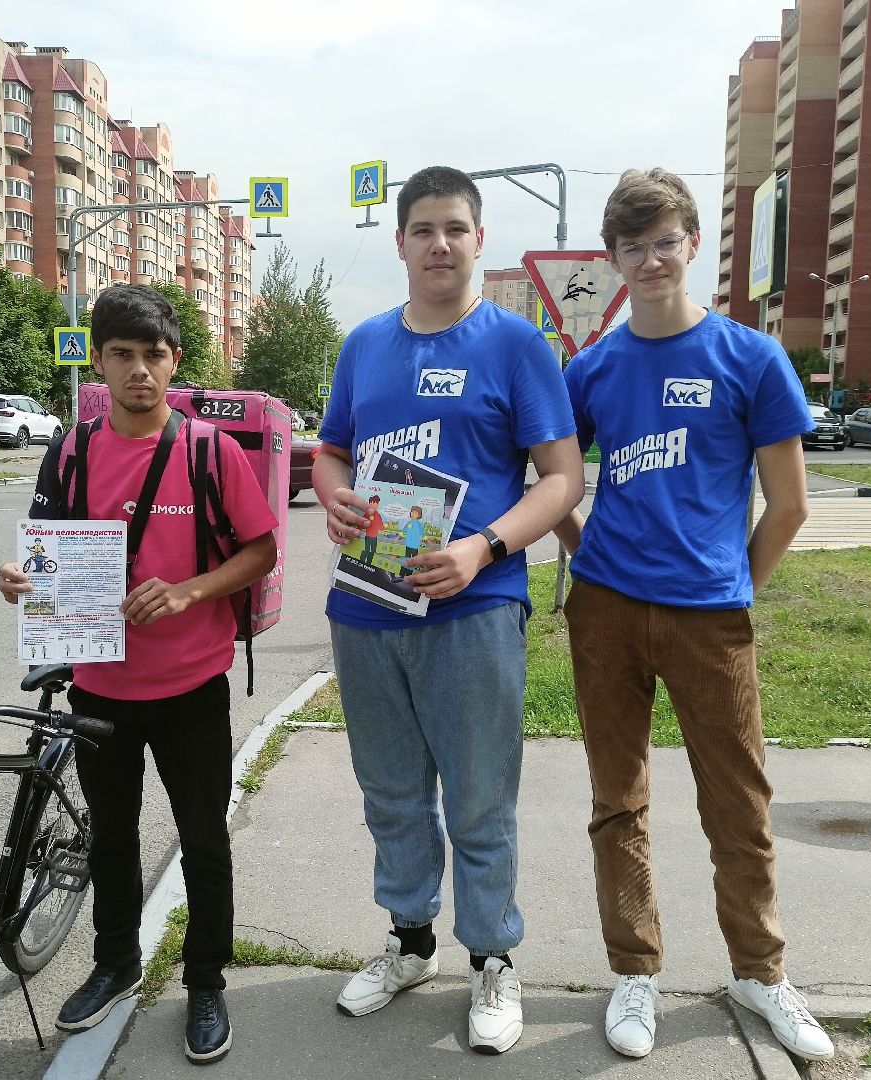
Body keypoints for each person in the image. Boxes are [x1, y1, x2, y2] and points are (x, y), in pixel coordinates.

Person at [555, 167, 833, 1063]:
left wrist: (733, 583)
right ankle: (635, 970)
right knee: (618, 800)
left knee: (738, 802)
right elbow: (556, 480)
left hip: (711, 616)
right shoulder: (591, 369)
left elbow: (789, 504)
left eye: (666, 242)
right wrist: (584, 550)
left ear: (693, 244)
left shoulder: (750, 359)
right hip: (605, 613)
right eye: (633, 247)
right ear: (613, 259)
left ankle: (760, 973)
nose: (651, 261)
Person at [314, 165, 585, 1056]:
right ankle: (409, 942)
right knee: (391, 793)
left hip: (475, 607)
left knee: (478, 798)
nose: (439, 243)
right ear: (399, 242)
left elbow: (561, 479)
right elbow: (332, 451)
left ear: (478, 240)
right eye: (423, 229)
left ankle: (493, 958)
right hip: (369, 606)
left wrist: (483, 549)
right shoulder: (364, 345)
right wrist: (334, 494)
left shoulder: (516, 345)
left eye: (455, 228)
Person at [0, 284, 277, 1064]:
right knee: (111, 840)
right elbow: (44, 549)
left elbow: (261, 550)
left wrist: (190, 591)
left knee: (203, 843)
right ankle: (115, 964)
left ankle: (206, 983)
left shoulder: (208, 452)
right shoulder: (72, 451)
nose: (140, 371)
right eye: (122, 355)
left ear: (175, 361)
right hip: (100, 689)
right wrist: (19, 578)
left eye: (153, 355)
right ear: (99, 361)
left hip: (191, 689)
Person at [399, 505, 424, 576]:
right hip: (408, 544)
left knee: (414, 560)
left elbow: (422, 533)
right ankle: (402, 573)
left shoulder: (418, 524)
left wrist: (424, 538)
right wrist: (400, 536)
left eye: (415, 513)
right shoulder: (409, 522)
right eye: (412, 512)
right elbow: (404, 530)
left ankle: (409, 574)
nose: (413, 514)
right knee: (405, 559)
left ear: (419, 515)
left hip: (415, 545)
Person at [359, 495, 383, 567]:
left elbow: (381, 526)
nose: (377, 505)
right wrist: (359, 529)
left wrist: (387, 525)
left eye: (377, 503)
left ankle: (369, 564)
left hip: (375, 537)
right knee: (366, 550)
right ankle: (361, 563)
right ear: (371, 503)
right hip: (368, 536)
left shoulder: (378, 515)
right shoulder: (367, 514)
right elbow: (361, 523)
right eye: (375, 503)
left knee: (372, 551)